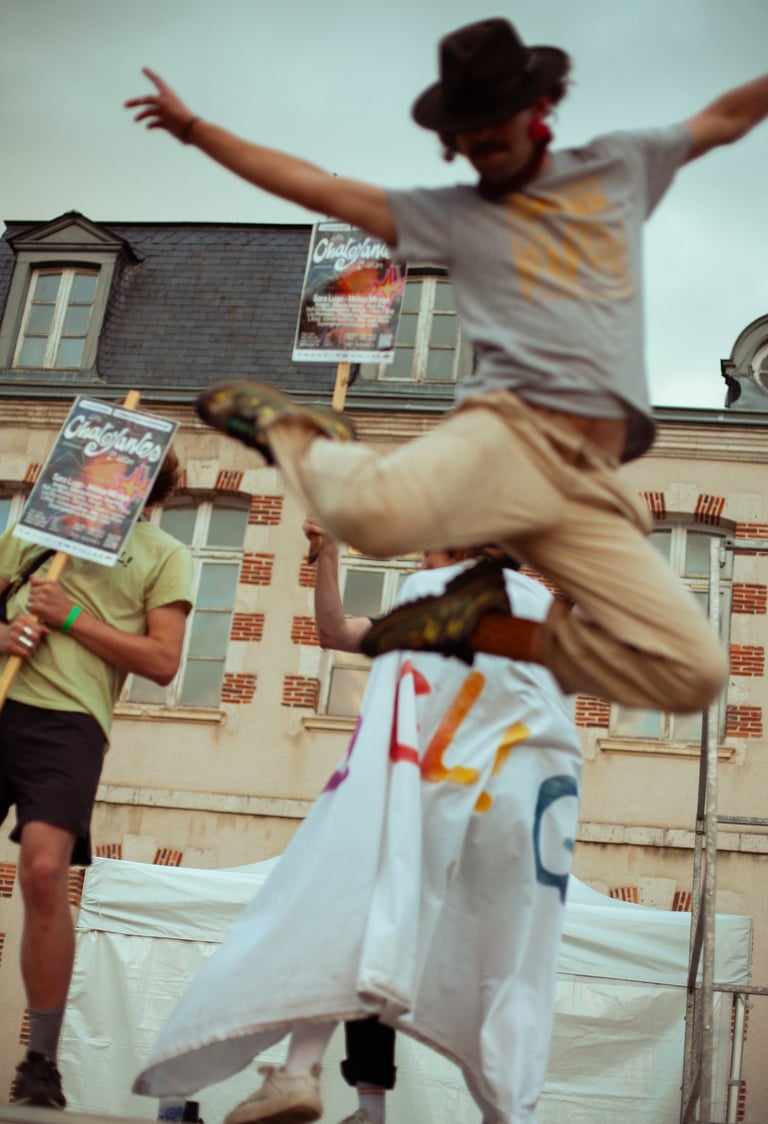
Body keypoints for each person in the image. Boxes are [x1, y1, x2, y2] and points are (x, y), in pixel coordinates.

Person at [125, 17, 768, 713]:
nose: (484, 153)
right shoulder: (453, 214)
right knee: (368, 521)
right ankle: (290, 430)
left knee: (691, 674)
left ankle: (479, 625)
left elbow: (728, 117)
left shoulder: (618, 166)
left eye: (497, 132)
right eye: (470, 143)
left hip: (583, 478)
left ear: (540, 108)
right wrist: (195, 130)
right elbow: (316, 188)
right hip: (512, 430)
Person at [131, 521, 583, 1124]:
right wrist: (330, 557)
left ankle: (299, 1073)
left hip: (445, 788)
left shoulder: (434, 588)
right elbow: (338, 633)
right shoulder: (541, 612)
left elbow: (342, 641)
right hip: (525, 806)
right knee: (505, 960)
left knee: (354, 903)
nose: (422, 551)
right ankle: (501, 1111)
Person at [2, 448, 193, 1109]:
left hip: (69, 724)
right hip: (1, 696)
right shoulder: (33, 529)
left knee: (46, 871)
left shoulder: (164, 554)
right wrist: (4, 635)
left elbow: (164, 661)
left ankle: (41, 1063)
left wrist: (73, 619)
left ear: (148, 482)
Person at [305, 517, 495, 1124]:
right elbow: (334, 630)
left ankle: (505, 1108)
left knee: (468, 966)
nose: (416, 562)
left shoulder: (496, 628)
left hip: (463, 815)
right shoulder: (410, 625)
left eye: (427, 551)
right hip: (403, 808)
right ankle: (367, 1107)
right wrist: (327, 556)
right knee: (363, 939)